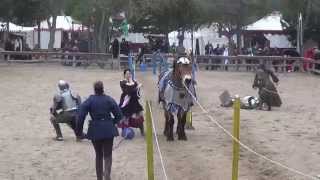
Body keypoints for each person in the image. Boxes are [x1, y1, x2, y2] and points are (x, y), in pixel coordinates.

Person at [76, 81, 123, 180]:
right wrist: (111, 122)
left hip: (95, 129)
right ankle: (107, 176)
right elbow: (119, 115)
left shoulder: (90, 100)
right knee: (108, 154)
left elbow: (80, 116)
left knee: (98, 155)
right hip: (108, 129)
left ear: (95, 89)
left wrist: (79, 132)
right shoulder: (109, 99)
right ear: (103, 89)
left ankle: (99, 178)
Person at [118, 69, 144, 136]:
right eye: (127, 74)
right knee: (125, 117)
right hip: (126, 101)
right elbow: (127, 92)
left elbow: (137, 93)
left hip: (134, 101)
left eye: (129, 73)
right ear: (124, 75)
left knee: (139, 116)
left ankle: (142, 130)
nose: (128, 75)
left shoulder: (134, 82)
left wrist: (138, 88)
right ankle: (125, 132)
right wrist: (136, 87)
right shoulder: (122, 82)